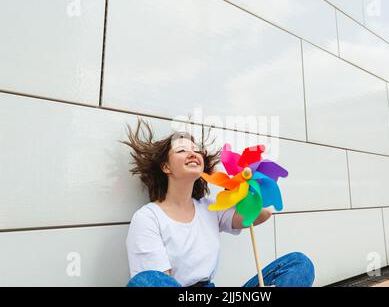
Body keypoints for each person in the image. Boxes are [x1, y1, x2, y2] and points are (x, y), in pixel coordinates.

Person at [120, 117, 315, 287]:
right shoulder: (148, 218)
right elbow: (157, 281)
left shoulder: (210, 208)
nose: (193, 153)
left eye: (197, 151)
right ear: (165, 167)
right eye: (182, 150)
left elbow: (262, 214)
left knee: (299, 264)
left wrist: (234, 183)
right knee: (146, 281)